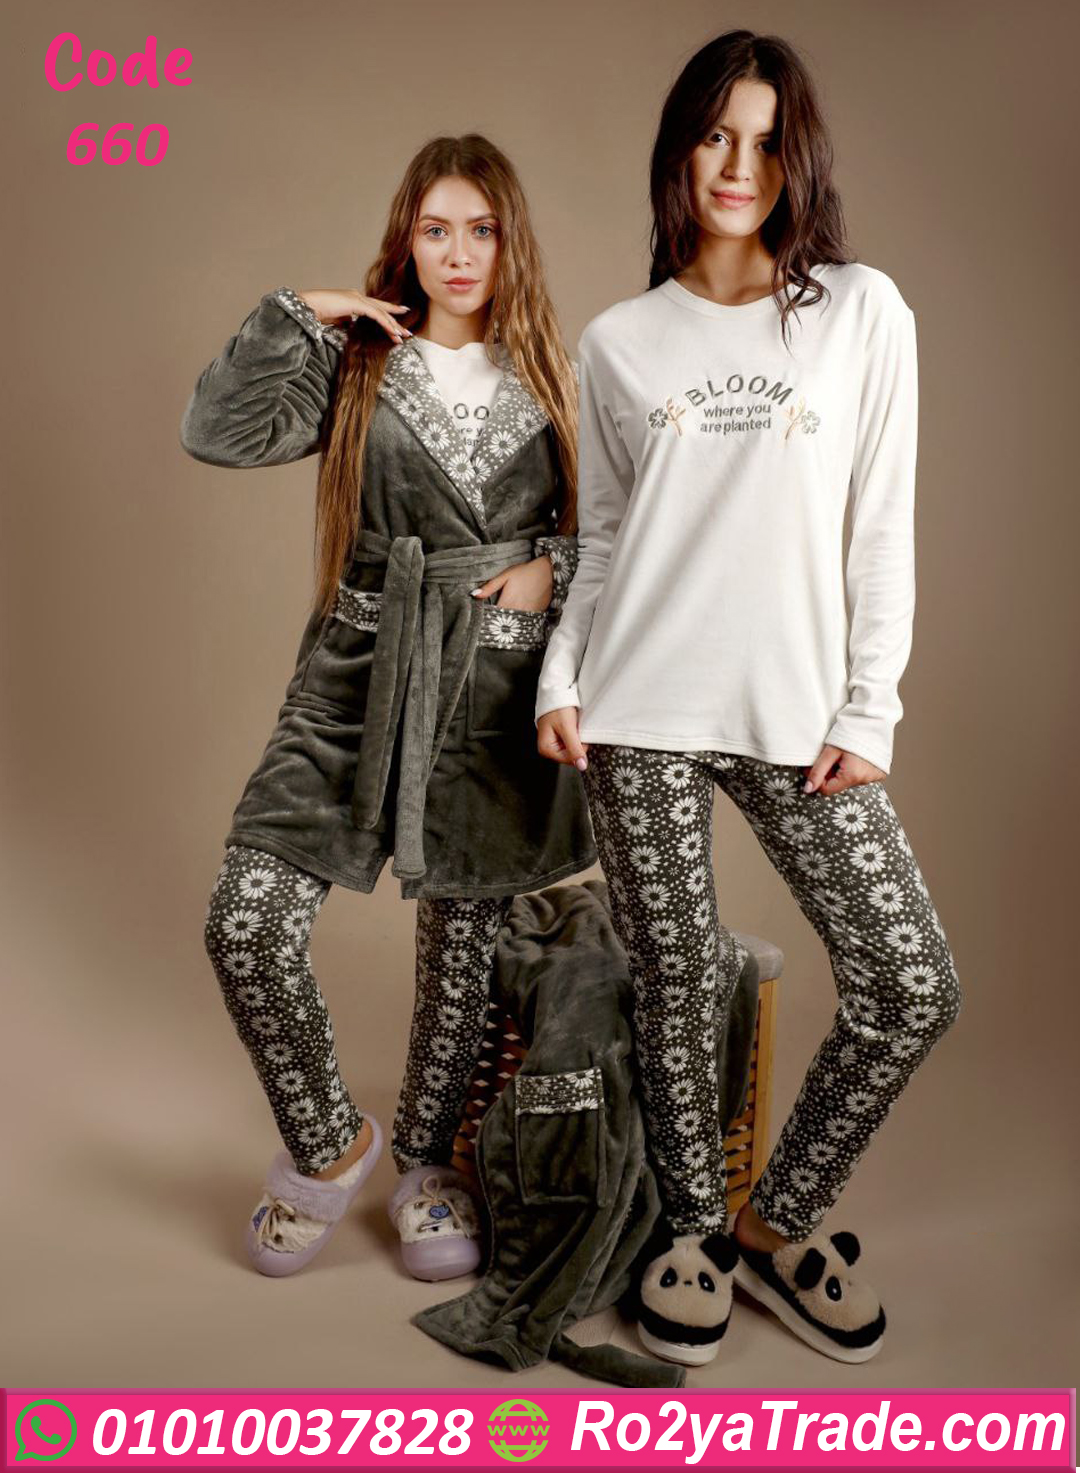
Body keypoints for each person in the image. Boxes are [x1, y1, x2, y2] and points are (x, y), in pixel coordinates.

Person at [536, 30, 962, 1367]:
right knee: (674, 986)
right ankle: (694, 1237)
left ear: (798, 159)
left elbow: (881, 524)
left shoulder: (861, 312)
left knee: (910, 982)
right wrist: (561, 678)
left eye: (767, 141)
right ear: (681, 148)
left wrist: (869, 708)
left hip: (798, 712)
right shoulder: (620, 341)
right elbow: (602, 536)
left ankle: (778, 1225)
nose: (739, 165)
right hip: (638, 705)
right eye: (718, 135)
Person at [180, 134, 595, 1282]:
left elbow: (627, 530)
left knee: (462, 955)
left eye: (482, 230)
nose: (459, 253)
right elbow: (218, 432)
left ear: (512, 241)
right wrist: (299, 312)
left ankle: (426, 1167)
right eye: (435, 229)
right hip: (356, 675)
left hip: (494, 689)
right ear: (406, 243)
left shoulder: (563, 380)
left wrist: (553, 568)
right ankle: (328, 1143)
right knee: (246, 922)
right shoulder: (360, 365)